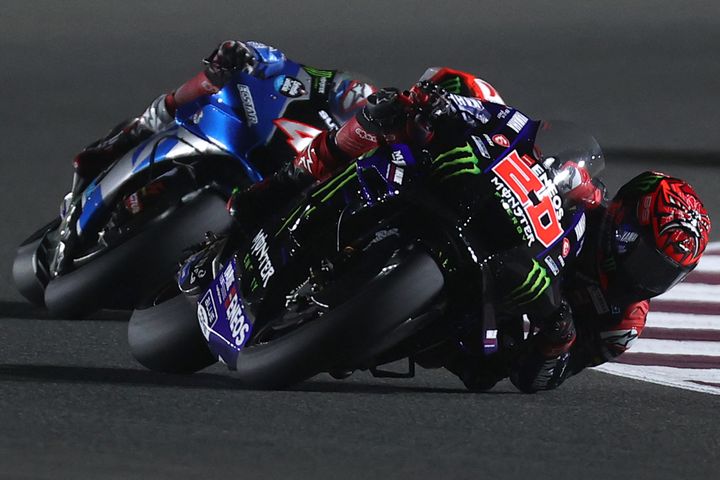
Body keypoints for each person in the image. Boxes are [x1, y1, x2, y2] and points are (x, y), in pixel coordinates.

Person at [238, 69, 711, 393]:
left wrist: (558, 331)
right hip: (476, 215)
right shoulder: (583, 198)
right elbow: (519, 130)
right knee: (395, 113)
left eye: (664, 274)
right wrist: (449, 111)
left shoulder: (622, 321)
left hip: (482, 322)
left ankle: (361, 326)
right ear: (623, 219)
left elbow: (539, 380)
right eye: (648, 259)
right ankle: (286, 185)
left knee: (483, 374)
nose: (647, 278)